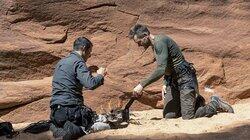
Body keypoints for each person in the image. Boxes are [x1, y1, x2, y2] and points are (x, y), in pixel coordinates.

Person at [129, 24, 234, 120]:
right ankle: (191, 103)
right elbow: (166, 66)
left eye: (139, 42)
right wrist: (165, 82)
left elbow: (161, 69)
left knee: (188, 116)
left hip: (185, 79)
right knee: (169, 116)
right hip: (172, 81)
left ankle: (214, 103)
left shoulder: (160, 42)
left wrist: (141, 85)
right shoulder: (154, 45)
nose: (139, 45)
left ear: (145, 35)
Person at [50, 37, 110, 139]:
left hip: (56, 112)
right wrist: (100, 75)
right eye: (89, 51)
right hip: (71, 111)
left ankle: (58, 128)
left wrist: (87, 72)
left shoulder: (61, 62)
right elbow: (90, 84)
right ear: (83, 48)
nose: (90, 55)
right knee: (105, 124)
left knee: (61, 128)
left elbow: (69, 81)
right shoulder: (79, 62)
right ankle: (79, 130)